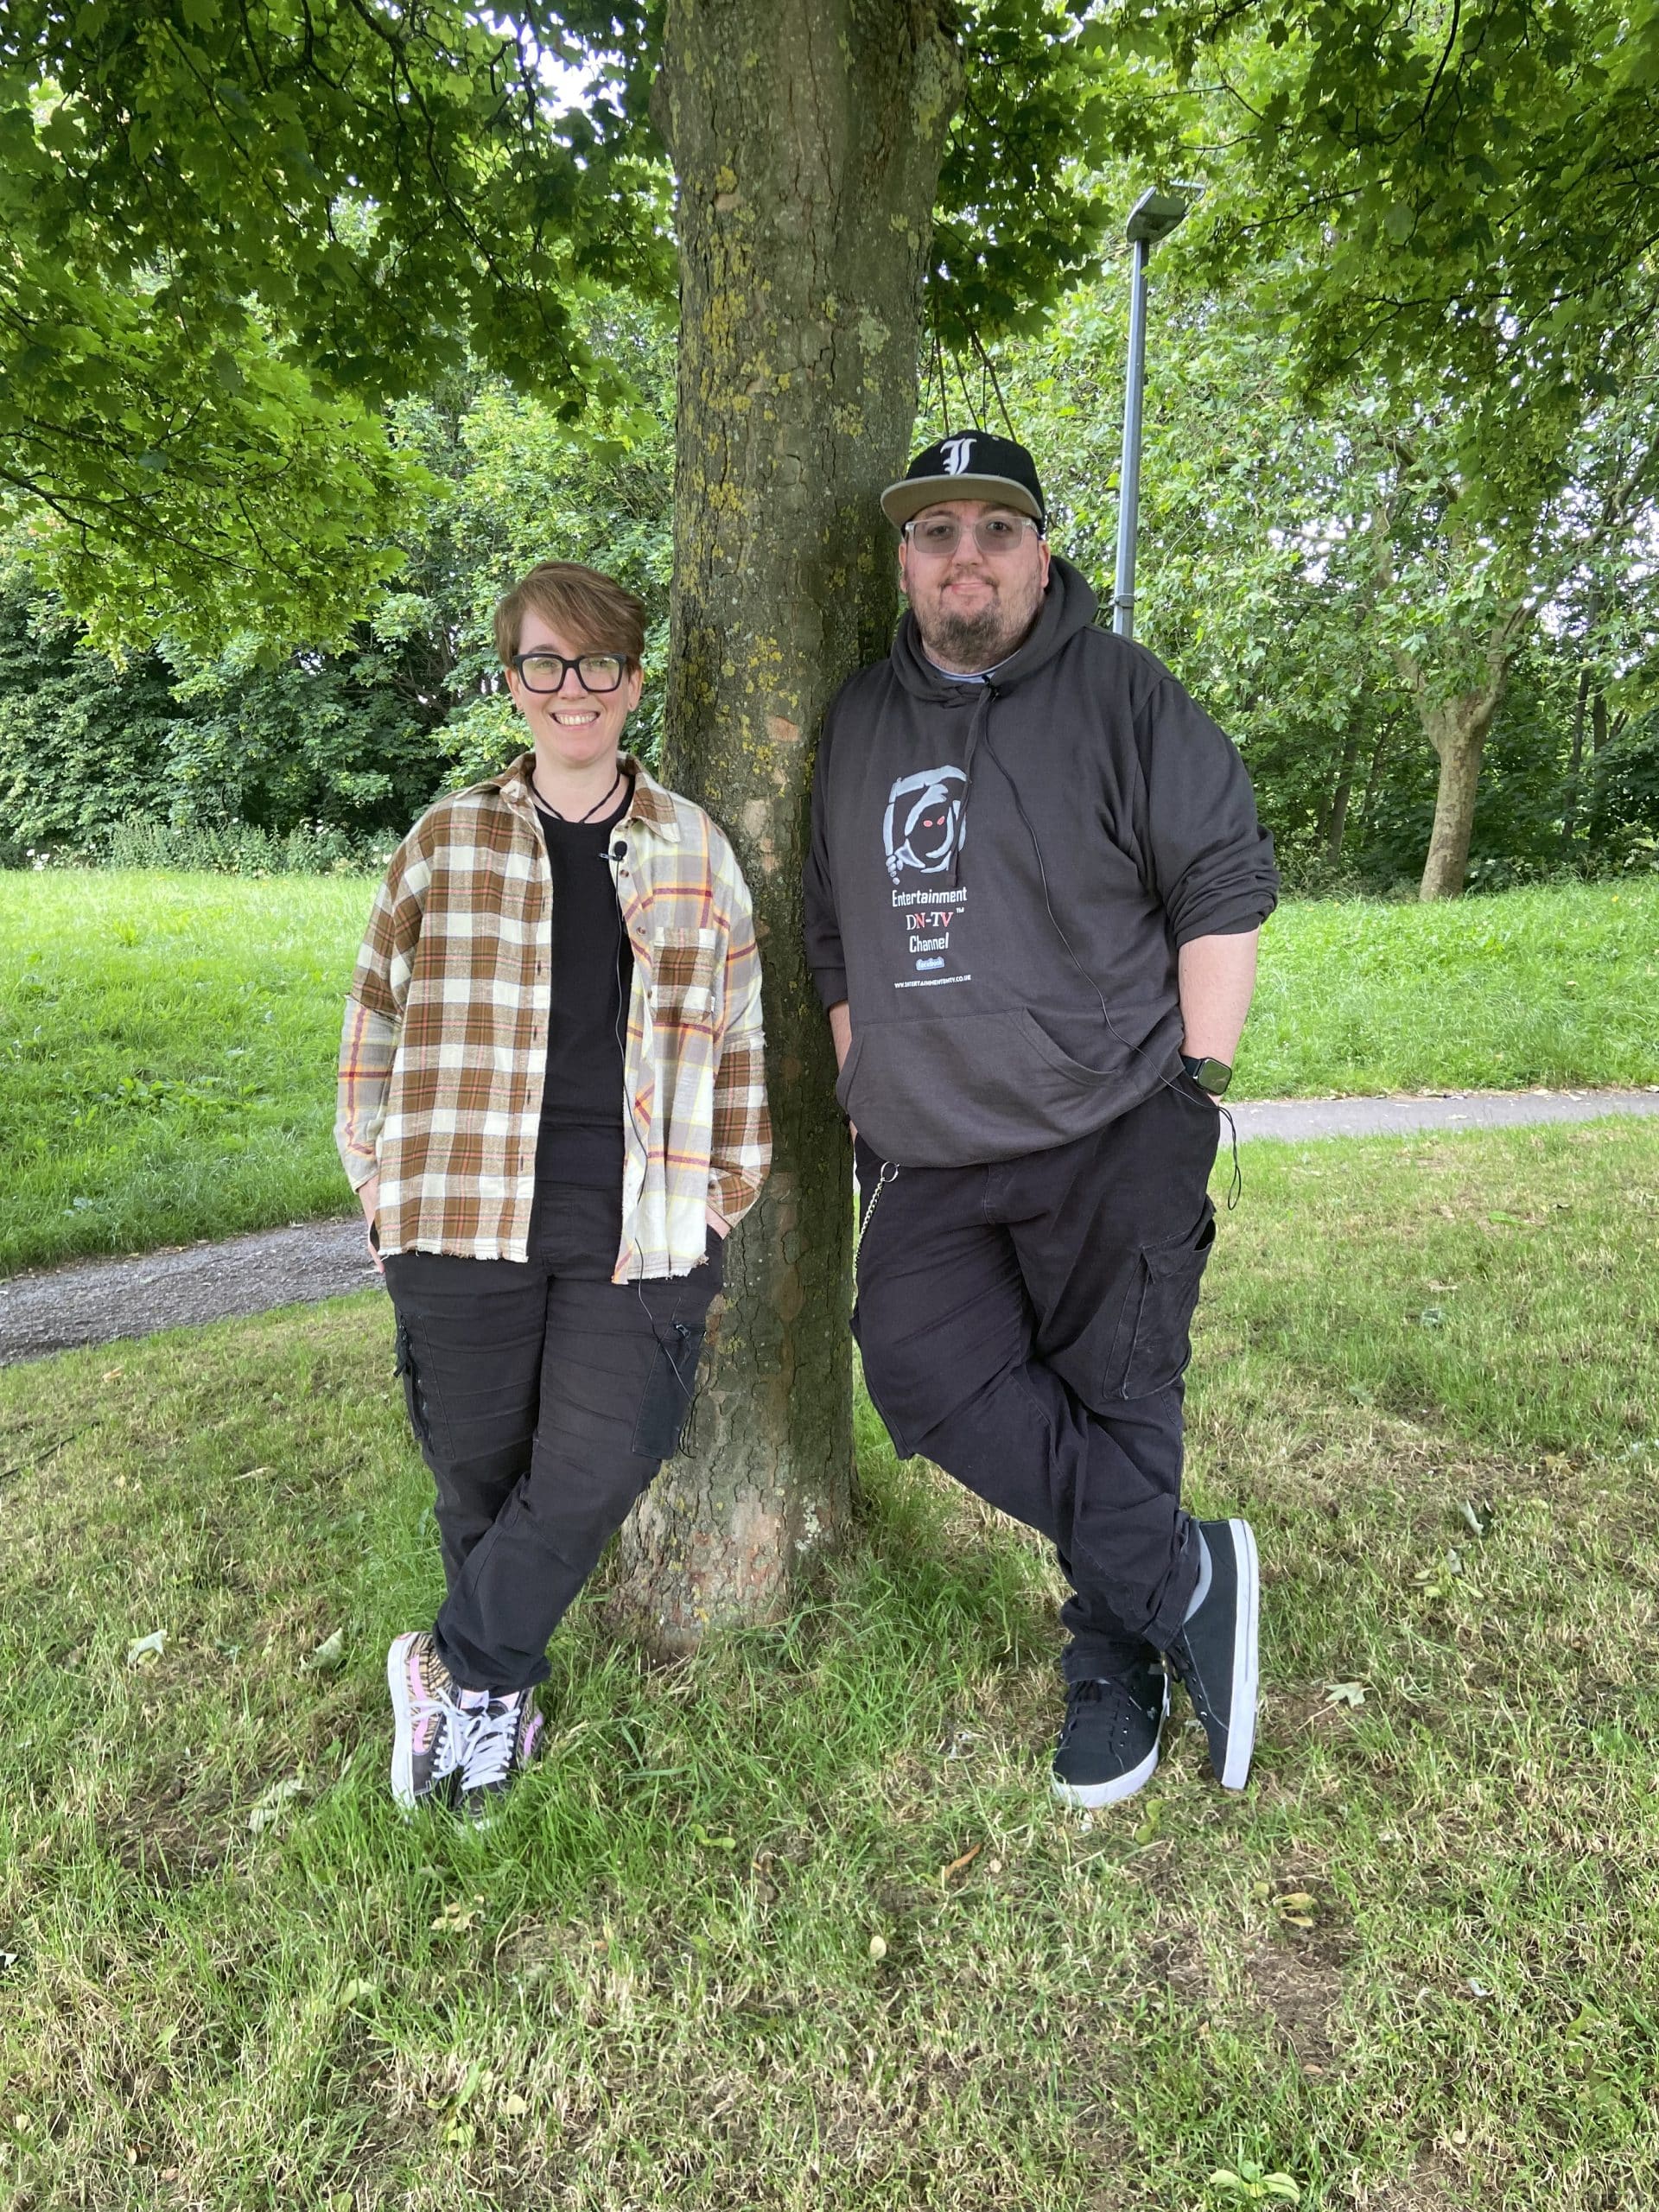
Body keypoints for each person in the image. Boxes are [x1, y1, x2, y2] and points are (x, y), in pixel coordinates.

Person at [804, 434, 1279, 1808]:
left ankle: (1112, 1661)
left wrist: (1197, 1079)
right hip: (921, 1148)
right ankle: (1189, 1571)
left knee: (1116, 1394)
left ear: (1039, 549)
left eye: (995, 529)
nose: (966, 556)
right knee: (922, 1377)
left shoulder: (1125, 694)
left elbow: (1223, 885)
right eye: (937, 531)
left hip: (1112, 1116)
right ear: (903, 558)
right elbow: (836, 929)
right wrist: (865, 1070)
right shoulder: (856, 718)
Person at [336, 560, 770, 1819]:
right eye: (544, 665)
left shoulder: (693, 848)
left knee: (592, 1469)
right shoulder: (445, 841)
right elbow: (373, 1021)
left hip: (643, 1221)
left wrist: (724, 1196)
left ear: (632, 682)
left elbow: (739, 1036)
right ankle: (495, 1708)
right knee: (477, 1478)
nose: (571, 690)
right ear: (512, 682)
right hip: (457, 1214)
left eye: (596, 666)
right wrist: (380, 1189)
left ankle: (448, 1665)